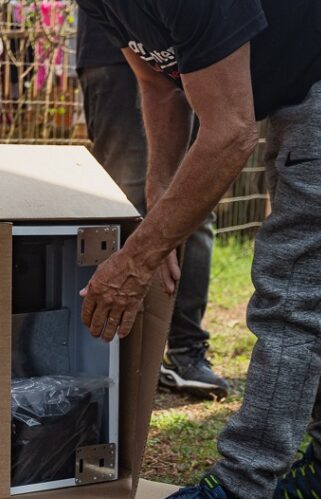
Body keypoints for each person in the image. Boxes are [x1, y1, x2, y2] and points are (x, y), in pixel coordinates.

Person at [75, 0, 321, 499]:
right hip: (308, 62)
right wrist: (158, 202)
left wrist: (138, 259)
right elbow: (158, 82)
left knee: (296, 279)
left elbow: (230, 132)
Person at [76, 9, 229, 399]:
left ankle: (185, 348)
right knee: (125, 204)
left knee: (193, 200)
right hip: (113, 53)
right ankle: (125, 355)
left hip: (185, 46)